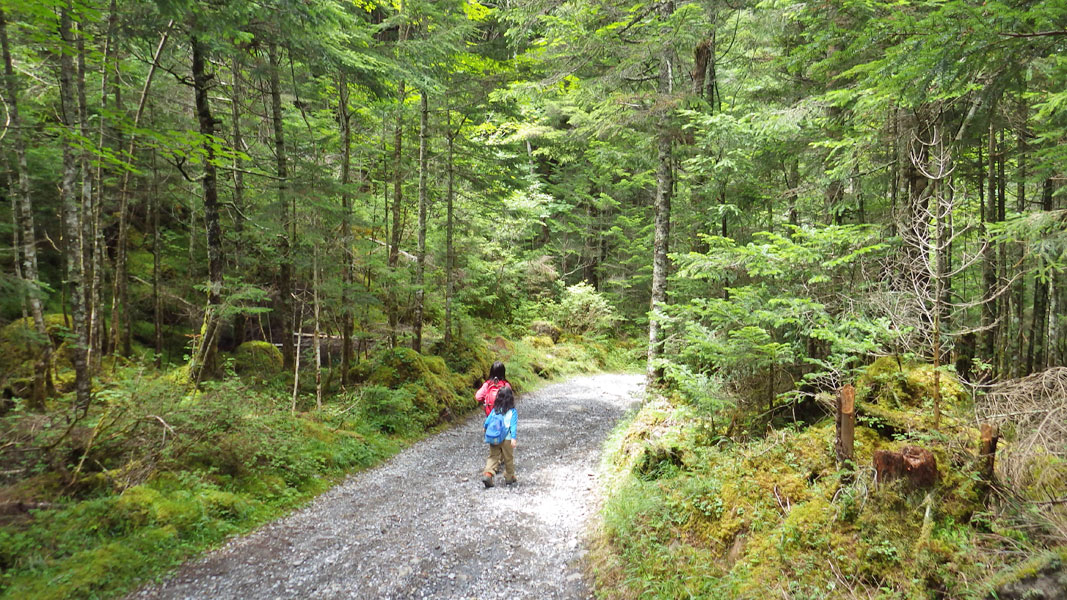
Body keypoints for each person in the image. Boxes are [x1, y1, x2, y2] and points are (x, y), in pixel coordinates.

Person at [482, 386, 517, 488]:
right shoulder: (513, 412)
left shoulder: (495, 410)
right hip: (507, 439)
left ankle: (488, 474)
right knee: (508, 458)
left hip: (495, 437)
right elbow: (513, 426)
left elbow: (488, 421)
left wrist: (485, 428)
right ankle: (509, 477)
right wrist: (513, 438)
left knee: (493, 456)